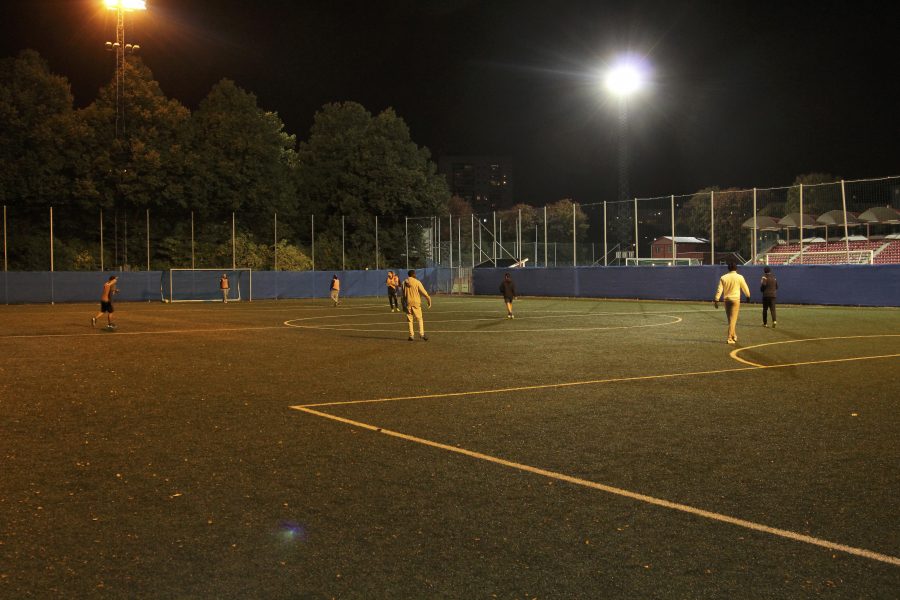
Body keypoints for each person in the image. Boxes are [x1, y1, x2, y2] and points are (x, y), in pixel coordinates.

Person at [713, 262, 751, 345]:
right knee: (733, 320)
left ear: (728, 268)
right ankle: (730, 338)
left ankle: (734, 335)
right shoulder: (740, 277)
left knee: (730, 319)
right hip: (735, 299)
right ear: (736, 268)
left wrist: (716, 299)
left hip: (727, 300)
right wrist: (748, 296)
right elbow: (745, 288)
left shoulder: (723, 277)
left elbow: (720, 289)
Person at [402, 269, 431, 341]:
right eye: (415, 274)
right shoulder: (417, 282)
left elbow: (403, 295)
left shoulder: (403, 283)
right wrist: (429, 300)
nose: (416, 275)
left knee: (409, 320)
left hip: (408, 302)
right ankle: (422, 334)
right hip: (416, 302)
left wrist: (403, 304)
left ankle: (411, 336)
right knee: (419, 319)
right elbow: (424, 292)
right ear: (413, 274)